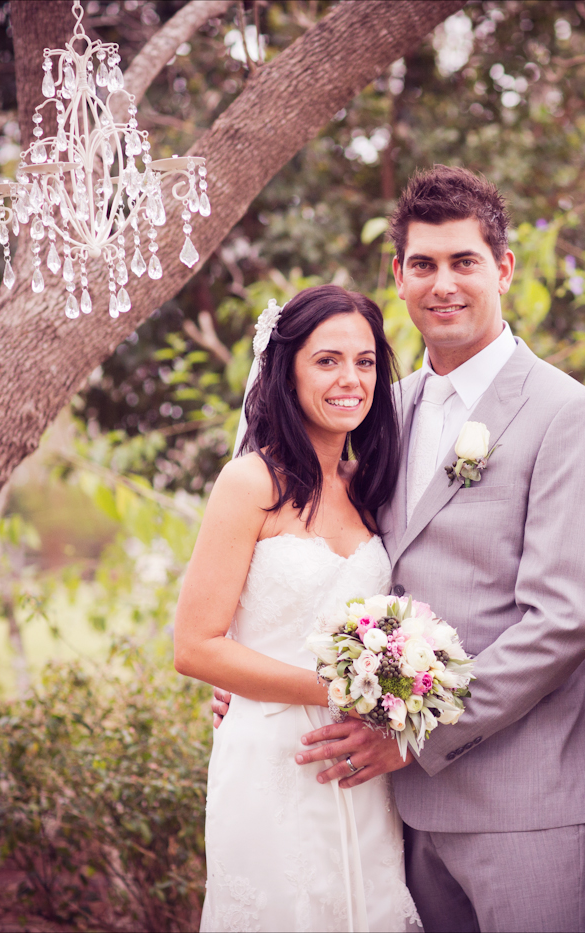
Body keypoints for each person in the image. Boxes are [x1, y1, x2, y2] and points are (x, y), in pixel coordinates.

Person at [214, 166, 585, 931]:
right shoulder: (379, 414)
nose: (444, 284)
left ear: (503, 269)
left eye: (464, 261)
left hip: (523, 799)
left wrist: (413, 734)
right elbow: (336, 562)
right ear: (398, 276)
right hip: (390, 810)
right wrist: (263, 672)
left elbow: (562, 620)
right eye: (424, 264)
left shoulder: (569, 416)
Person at [173, 285, 421, 932]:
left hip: (361, 758)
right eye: (327, 361)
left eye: (365, 362)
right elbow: (195, 647)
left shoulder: (370, 489)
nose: (351, 380)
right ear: (286, 372)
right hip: (273, 758)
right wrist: (338, 687)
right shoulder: (250, 482)